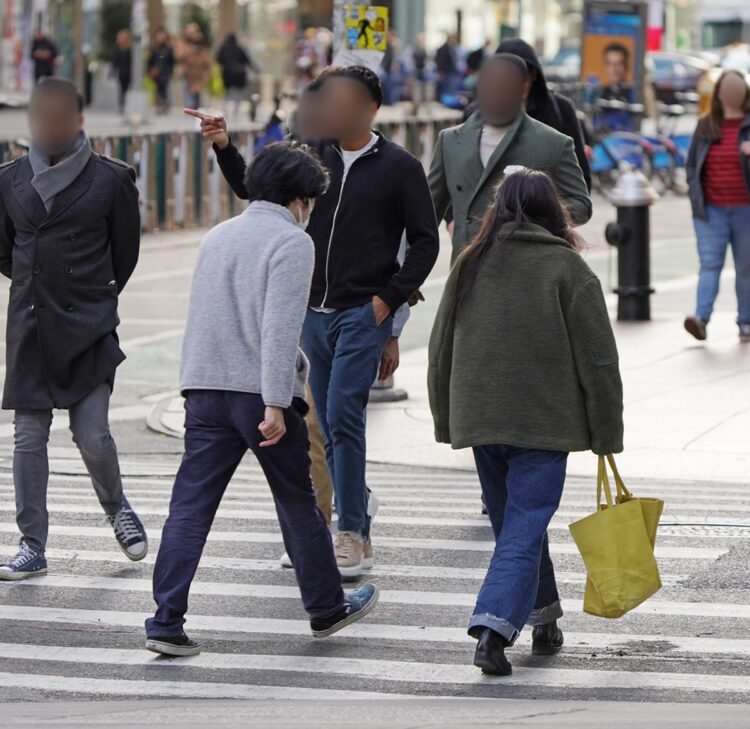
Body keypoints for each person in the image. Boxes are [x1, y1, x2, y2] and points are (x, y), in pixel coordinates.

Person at [195, 66, 439, 580]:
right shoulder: (310, 152)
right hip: (311, 313)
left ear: (372, 108)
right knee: (320, 426)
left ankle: (353, 533)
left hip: (361, 312)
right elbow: (255, 189)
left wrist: (386, 303)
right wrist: (222, 146)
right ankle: (330, 521)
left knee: (344, 418)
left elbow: (425, 241)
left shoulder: (399, 167)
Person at [145, 142, 380, 656]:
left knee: (189, 507)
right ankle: (325, 608)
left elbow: (205, 317)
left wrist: (193, 385)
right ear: (299, 199)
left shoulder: (217, 236)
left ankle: (165, 621)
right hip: (259, 394)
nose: (311, 211)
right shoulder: (291, 242)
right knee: (297, 502)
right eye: (312, 201)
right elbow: (279, 330)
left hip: (205, 391)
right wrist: (277, 402)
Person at [428, 168, 624, 675]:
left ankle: (544, 618)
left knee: (517, 528)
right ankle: (492, 629)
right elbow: (599, 362)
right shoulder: (568, 269)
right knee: (522, 528)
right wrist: (607, 433)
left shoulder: (471, 262)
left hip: (481, 420)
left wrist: (447, 417)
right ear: (553, 210)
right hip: (543, 424)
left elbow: (440, 348)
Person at [0, 78, 146, 580]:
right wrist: (36, 286)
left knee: (93, 435)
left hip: (88, 327)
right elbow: (7, 252)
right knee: (27, 438)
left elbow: (124, 254)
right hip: (31, 326)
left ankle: (117, 507)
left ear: (79, 121)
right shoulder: (9, 180)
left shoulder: (111, 179)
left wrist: (93, 297)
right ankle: (31, 543)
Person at [429, 53, 592, 261]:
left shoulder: (554, 143)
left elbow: (582, 206)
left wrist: (537, 209)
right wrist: (406, 278)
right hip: (466, 274)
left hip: (527, 271)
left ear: (523, 89)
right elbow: (426, 216)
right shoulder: (450, 141)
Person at [684, 69, 750, 343]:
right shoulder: (706, 124)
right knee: (710, 264)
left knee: (746, 268)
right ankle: (701, 319)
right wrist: (695, 195)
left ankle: (746, 321)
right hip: (711, 210)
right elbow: (691, 166)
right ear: (720, 93)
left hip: (745, 210)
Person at [216, 33, 259, 116]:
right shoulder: (239, 49)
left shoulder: (224, 49)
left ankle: (225, 110)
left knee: (226, 94)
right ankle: (236, 110)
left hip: (227, 75)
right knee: (239, 94)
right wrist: (254, 69)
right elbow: (247, 61)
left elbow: (218, 60)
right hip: (239, 76)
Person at [177, 24, 212, 110]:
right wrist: (191, 50)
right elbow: (179, 56)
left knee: (197, 92)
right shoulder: (183, 43)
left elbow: (207, 59)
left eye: (193, 32)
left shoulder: (200, 42)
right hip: (187, 73)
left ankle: (195, 108)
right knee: (189, 92)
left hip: (199, 73)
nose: (191, 35)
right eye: (189, 32)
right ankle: (190, 108)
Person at [148, 28, 175, 114]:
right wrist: (151, 69)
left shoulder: (168, 49)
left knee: (164, 87)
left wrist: (171, 72)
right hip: (156, 72)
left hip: (165, 71)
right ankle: (160, 104)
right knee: (158, 88)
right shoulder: (154, 48)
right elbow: (150, 61)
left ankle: (164, 104)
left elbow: (171, 62)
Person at [112, 29, 133, 115]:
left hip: (128, 73)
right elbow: (115, 62)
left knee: (127, 90)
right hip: (121, 73)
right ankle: (122, 105)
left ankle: (126, 105)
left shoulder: (129, 50)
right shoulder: (118, 50)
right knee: (121, 90)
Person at [435, 33, 461, 101]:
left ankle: (447, 100)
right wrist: (440, 71)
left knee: (450, 88)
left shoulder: (452, 48)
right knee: (446, 88)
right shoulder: (443, 49)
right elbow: (440, 61)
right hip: (446, 72)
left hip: (451, 71)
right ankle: (444, 100)